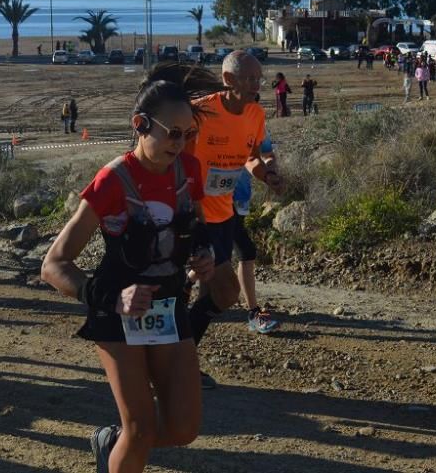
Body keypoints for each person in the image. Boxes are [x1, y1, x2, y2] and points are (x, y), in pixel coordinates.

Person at [41, 62, 217, 473]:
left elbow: (198, 225)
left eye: (188, 134)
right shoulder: (112, 182)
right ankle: (121, 448)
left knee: (184, 427)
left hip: (169, 307)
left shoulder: (189, 171)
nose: (181, 142)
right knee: (138, 428)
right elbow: (53, 265)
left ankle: (110, 445)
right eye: (172, 133)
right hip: (116, 313)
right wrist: (112, 297)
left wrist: (203, 253)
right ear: (140, 124)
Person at [186, 50, 285, 389]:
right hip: (192, 216)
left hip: (224, 214)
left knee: (213, 292)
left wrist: (266, 174)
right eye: (249, 78)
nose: (257, 84)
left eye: (259, 78)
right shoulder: (200, 113)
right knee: (219, 288)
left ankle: (180, 357)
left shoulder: (255, 114)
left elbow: (251, 158)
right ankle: (176, 361)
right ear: (228, 80)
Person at [231, 122, 279, 334]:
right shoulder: (214, 118)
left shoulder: (256, 123)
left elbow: (265, 153)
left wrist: (269, 170)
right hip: (212, 201)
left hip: (239, 198)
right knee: (244, 251)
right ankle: (253, 312)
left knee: (222, 256)